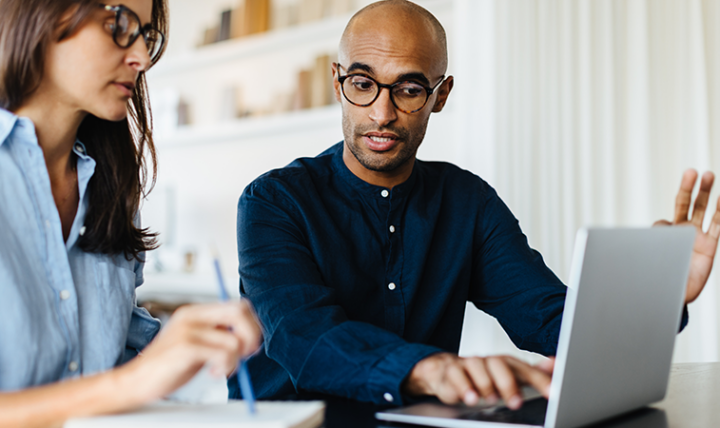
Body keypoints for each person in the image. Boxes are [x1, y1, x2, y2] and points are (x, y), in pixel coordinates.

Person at [233, 0, 720, 410]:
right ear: (337, 80)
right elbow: (306, 337)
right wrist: (431, 368)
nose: (381, 114)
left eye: (408, 89)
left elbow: (547, 317)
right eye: (363, 84)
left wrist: (659, 294)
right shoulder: (272, 202)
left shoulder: (468, 202)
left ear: (440, 95)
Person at [0, 1, 262, 427]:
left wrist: (193, 351)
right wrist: (136, 380)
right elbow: (127, 382)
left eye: (146, 35)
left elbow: (120, 353)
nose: (140, 58)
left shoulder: (112, 190)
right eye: (118, 24)